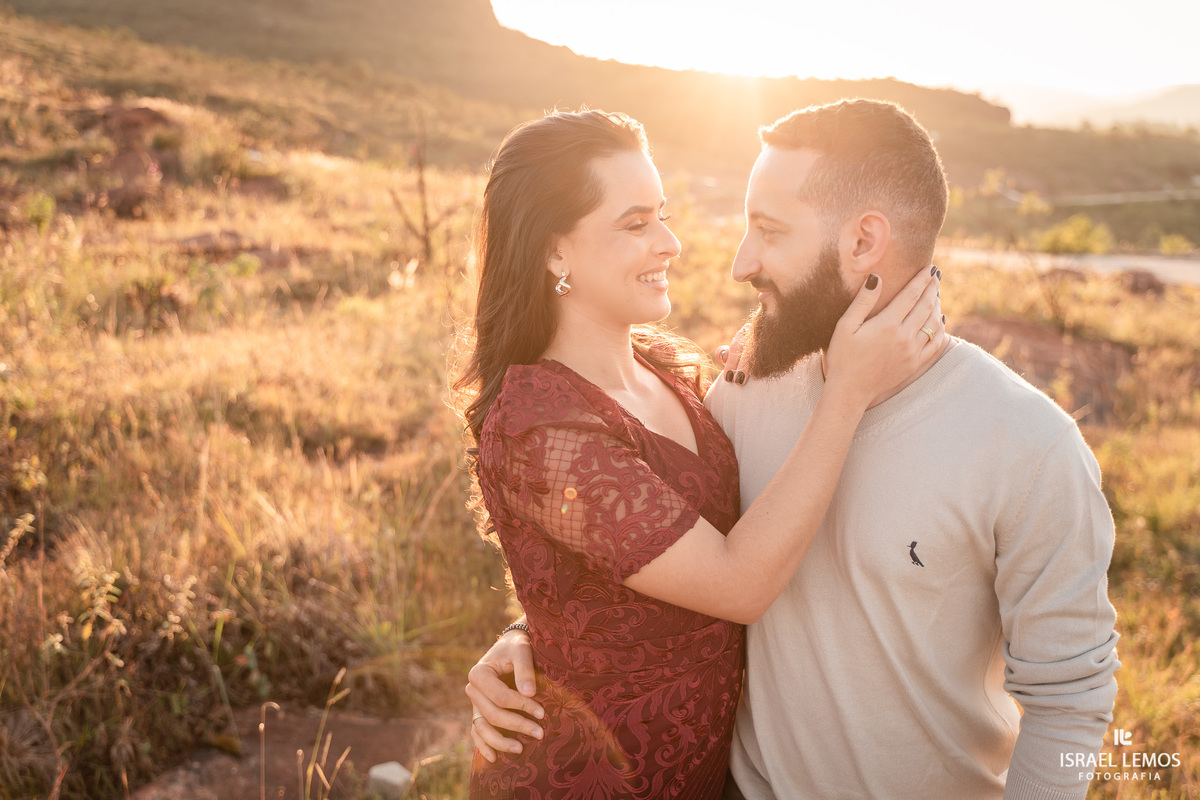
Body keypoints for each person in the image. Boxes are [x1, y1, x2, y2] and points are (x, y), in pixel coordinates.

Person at [466, 100, 1120, 800]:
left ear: (865, 242)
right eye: (637, 221)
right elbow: (639, 555)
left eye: (769, 231)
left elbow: (1070, 703)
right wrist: (535, 632)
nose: (736, 263)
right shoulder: (746, 391)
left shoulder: (1028, 444)